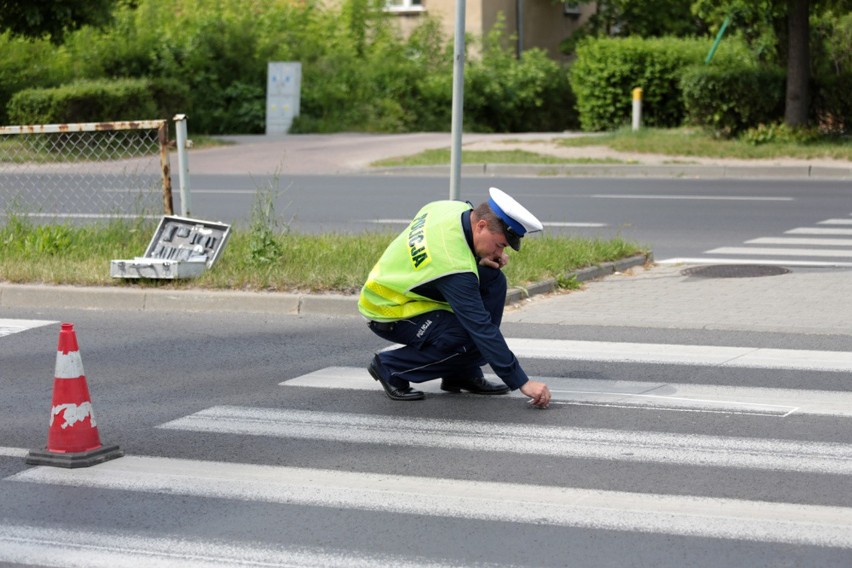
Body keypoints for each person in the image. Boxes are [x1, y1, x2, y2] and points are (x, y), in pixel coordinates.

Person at [358, 186, 552, 408]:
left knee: (494, 281)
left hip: (410, 291)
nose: (500, 254)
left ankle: (460, 372)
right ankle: (392, 366)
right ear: (481, 225)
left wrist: (481, 259)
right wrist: (522, 382)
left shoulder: (453, 208)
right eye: (499, 245)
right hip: (387, 310)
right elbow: (480, 327)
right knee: (469, 336)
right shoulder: (453, 267)